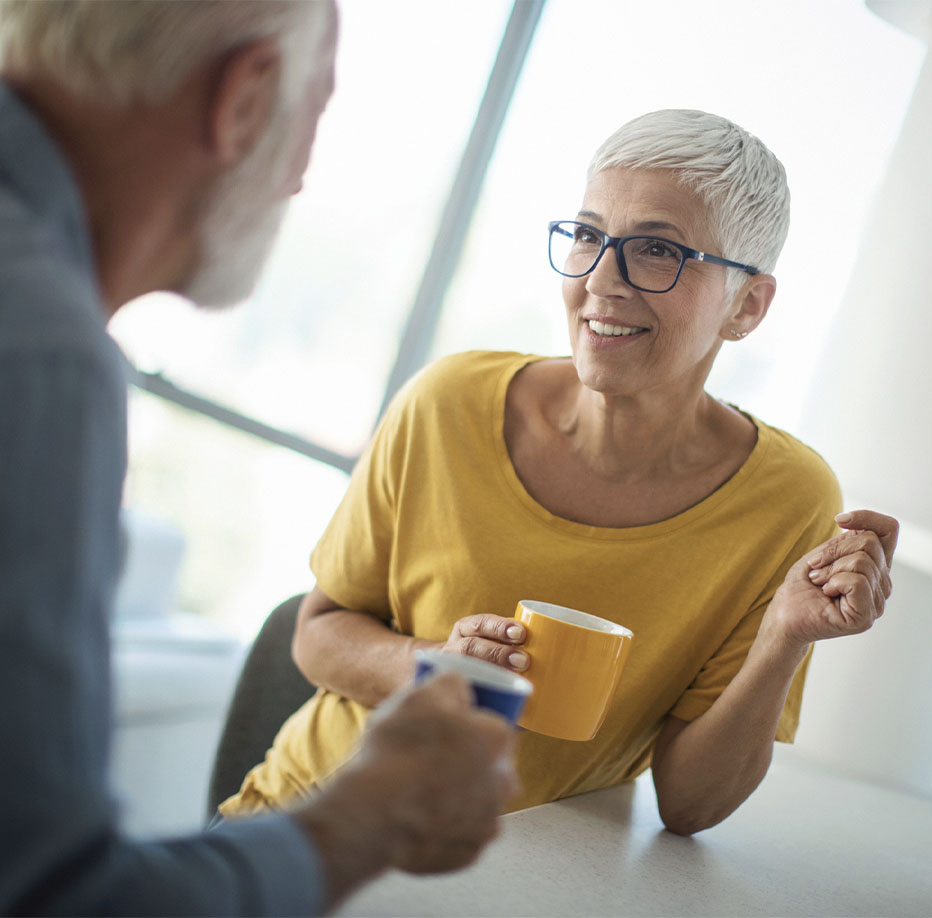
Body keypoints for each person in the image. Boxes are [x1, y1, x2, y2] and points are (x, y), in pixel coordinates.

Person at [219, 108, 899, 836]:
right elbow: (314, 632)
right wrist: (432, 665)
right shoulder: (446, 403)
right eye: (587, 236)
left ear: (747, 305)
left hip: (520, 880)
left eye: (656, 251)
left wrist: (785, 639)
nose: (601, 281)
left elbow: (691, 804)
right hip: (301, 824)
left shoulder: (789, 502)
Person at [0, 1, 519, 914]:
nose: (300, 179)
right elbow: (53, 901)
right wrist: (371, 815)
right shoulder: (44, 352)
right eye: (313, 119)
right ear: (245, 98)